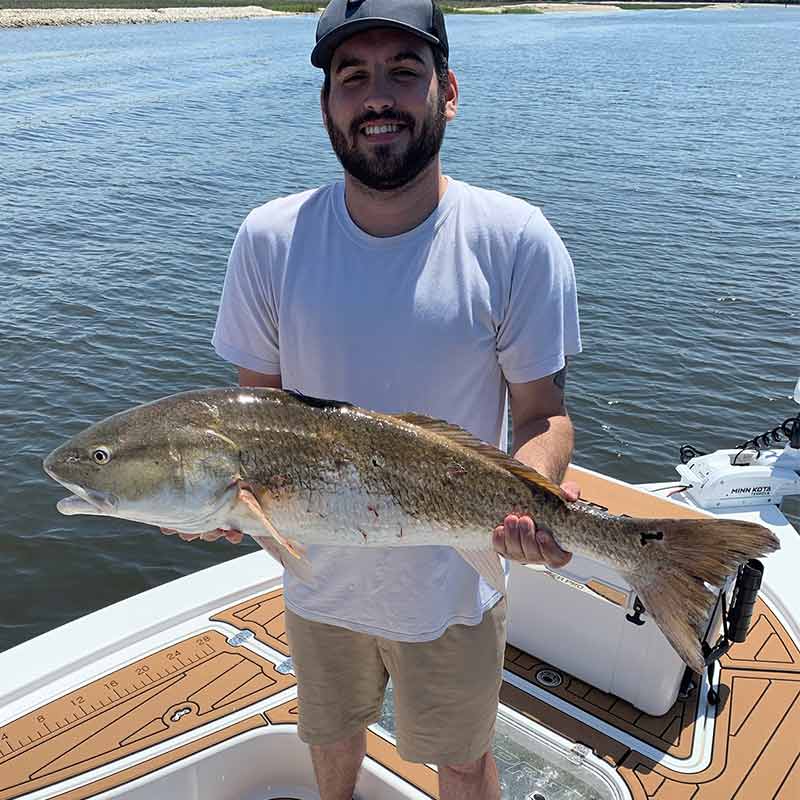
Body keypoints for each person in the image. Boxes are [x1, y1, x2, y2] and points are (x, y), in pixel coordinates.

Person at [165, 1, 581, 797]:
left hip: (454, 586)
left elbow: (542, 415)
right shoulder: (269, 239)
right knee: (330, 737)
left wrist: (532, 503)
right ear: (327, 104)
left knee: (462, 760)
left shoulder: (517, 239)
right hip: (316, 579)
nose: (377, 97)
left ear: (448, 91)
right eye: (352, 77)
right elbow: (257, 428)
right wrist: (219, 504)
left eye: (403, 72)